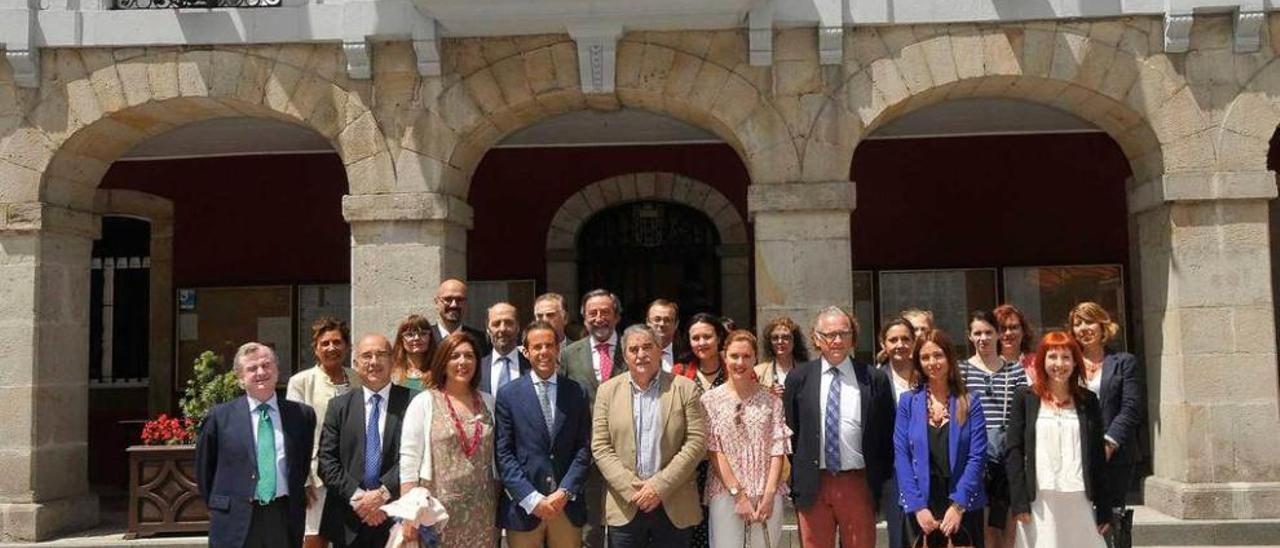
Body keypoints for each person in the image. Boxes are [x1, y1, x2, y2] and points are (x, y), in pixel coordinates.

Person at [784, 306, 896, 548]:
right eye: (828, 334)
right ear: (816, 338)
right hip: (814, 484)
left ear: (853, 337)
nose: (836, 341)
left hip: (858, 482)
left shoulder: (873, 378)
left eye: (843, 334)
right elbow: (792, 432)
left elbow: (886, 433)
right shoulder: (798, 379)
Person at [591, 324, 708, 547]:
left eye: (647, 347)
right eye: (634, 349)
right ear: (625, 355)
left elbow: (696, 441)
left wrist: (658, 487)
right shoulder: (607, 391)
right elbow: (601, 447)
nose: (641, 355)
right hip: (626, 506)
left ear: (659, 350)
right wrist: (633, 489)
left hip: (674, 503)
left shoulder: (685, 388)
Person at [197, 342, 317, 548]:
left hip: (282, 515)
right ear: (240, 378)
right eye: (252, 368)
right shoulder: (219, 417)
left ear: (277, 370)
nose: (261, 372)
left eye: (266, 365)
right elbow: (204, 471)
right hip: (235, 517)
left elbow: (301, 463)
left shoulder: (301, 415)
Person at [494, 321, 594, 548]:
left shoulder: (576, 391)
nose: (544, 352)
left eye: (549, 345)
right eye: (537, 347)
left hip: (566, 505)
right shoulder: (508, 395)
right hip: (524, 508)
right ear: (526, 352)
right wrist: (531, 499)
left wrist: (565, 491)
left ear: (558, 349)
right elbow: (504, 453)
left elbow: (584, 447)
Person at [1007, 331, 1110, 548]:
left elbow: (1097, 456)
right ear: (1042, 360)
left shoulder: (1088, 400)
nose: (1059, 364)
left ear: (1075, 362)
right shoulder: (1025, 398)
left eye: (1066, 357)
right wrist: (1018, 502)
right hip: (1039, 499)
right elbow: (1014, 451)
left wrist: (1104, 508)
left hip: (1079, 496)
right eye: (1052, 357)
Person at [398, 332, 498, 548]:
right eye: (455, 356)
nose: (463, 362)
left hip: (482, 515)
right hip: (436, 516)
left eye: (469, 356)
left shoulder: (489, 403)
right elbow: (409, 462)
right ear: (443, 362)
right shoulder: (424, 402)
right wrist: (409, 515)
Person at [317, 334, 414, 547]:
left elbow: (415, 458)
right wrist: (360, 499)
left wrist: (381, 495)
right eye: (366, 356)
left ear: (393, 360)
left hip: (397, 517)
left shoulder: (413, 402)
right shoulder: (338, 406)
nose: (373, 362)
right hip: (348, 520)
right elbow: (326, 462)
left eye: (381, 355)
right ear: (355, 364)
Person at [893, 329, 987, 548]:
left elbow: (977, 457)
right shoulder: (908, 402)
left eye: (938, 355)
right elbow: (902, 457)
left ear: (949, 358)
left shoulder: (970, 402)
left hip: (962, 501)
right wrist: (917, 507)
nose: (932, 362)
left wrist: (958, 506)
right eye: (925, 357)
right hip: (921, 503)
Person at [702, 330, 791, 548]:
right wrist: (738, 496)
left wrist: (769, 495)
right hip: (726, 493)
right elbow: (715, 451)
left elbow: (778, 450)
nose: (740, 362)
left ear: (755, 358)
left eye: (746, 356)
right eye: (734, 356)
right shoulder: (709, 400)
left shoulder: (772, 400)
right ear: (724, 356)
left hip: (766, 492)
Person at [1070, 302, 1144, 545]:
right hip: (1074, 453)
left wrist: (1109, 443)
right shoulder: (1067, 364)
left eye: (1089, 321)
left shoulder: (1124, 362)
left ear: (1103, 326)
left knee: (1110, 518)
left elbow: (1131, 408)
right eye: (1077, 323)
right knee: (1078, 517)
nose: (1083, 328)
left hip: (1116, 456)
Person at [286, 318, 361, 548]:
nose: (332, 348)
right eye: (325, 343)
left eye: (337, 342)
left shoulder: (358, 379)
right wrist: (303, 480)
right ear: (316, 349)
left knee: (349, 536)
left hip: (351, 475)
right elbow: (294, 434)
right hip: (315, 476)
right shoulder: (301, 382)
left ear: (347, 346)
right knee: (314, 537)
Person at [563, 288, 627, 547]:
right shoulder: (569, 354)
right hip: (586, 456)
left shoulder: (632, 348)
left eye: (605, 312)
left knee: (626, 527)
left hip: (626, 454)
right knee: (591, 532)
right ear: (583, 317)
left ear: (617, 316)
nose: (599, 318)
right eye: (593, 313)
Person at [960, 310, 1027, 548]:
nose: (983, 338)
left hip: (1008, 458)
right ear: (969, 336)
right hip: (975, 459)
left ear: (998, 334)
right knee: (986, 529)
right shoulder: (961, 371)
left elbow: (1023, 416)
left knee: (1010, 530)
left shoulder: (1015, 371)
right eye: (977, 333)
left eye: (988, 332)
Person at [671, 312, 728, 548]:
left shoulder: (735, 370)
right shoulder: (679, 373)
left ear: (719, 338)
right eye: (696, 338)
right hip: (691, 467)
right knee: (694, 531)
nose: (702, 343)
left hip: (726, 465)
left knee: (724, 532)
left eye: (707, 336)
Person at [876, 317, 919, 548]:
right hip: (894, 472)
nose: (900, 344)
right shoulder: (876, 379)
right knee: (899, 536)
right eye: (893, 340)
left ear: (914, 342)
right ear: (884, 344)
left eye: (905, 339)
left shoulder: (928, 376)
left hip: (930, 467)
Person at [480, 302, 530, 395]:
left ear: (518, 327)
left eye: (509, 323)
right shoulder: (477, 368)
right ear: (487, 329)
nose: (502, 329)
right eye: (496, 324)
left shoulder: (532, 367)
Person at [431, 278, 490, 356]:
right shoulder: (425, 338)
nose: (454, 305)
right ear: (437, 302)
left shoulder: (481, 341)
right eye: (448, 299)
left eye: (459, 299)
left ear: (466, 303)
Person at [755, 315, 810, 399]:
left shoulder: (807, 371)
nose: (780, 342)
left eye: (785, 337)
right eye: (775, 338)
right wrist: (768, 395)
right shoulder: (759, 372)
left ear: (795, 341)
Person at [391, 314, 435, 391]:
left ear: (430, 338)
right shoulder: (391, 372)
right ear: (401, 340)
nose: (416, 338)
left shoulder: (439, 371)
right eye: (409, 334)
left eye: (423, 334)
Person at [994, 304, 1035, 381]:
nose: (1008, 333)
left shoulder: (1036, 363)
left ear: (1023, 331)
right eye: (1002, 328)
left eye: (1013, 327)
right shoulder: (988, 365)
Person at [645, 299, 681, 371]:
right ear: (648, 322)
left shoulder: (685, 355)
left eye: (667, 320)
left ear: (676, 324)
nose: (662, 324)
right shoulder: (636, 354)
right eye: (657, 319)